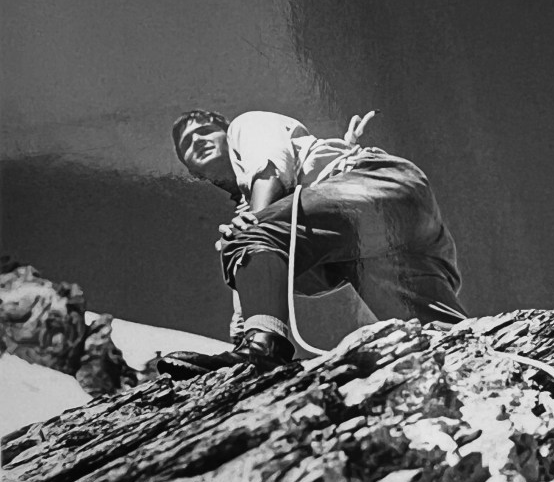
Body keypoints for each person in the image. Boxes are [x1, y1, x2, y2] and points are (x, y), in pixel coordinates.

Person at [158, 108, 466, 378]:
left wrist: (252, 227)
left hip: (373, 187)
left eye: (205, 131)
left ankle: (264, 351)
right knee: (443, 337)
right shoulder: (249, 206)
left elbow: (271, 167)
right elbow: (252, 279)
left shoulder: (246, 126)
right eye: (187, 143)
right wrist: (240, 335)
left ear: (226, 134)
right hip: (392, 229)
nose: (197, 140)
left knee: (250, 235)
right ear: (192, 171)